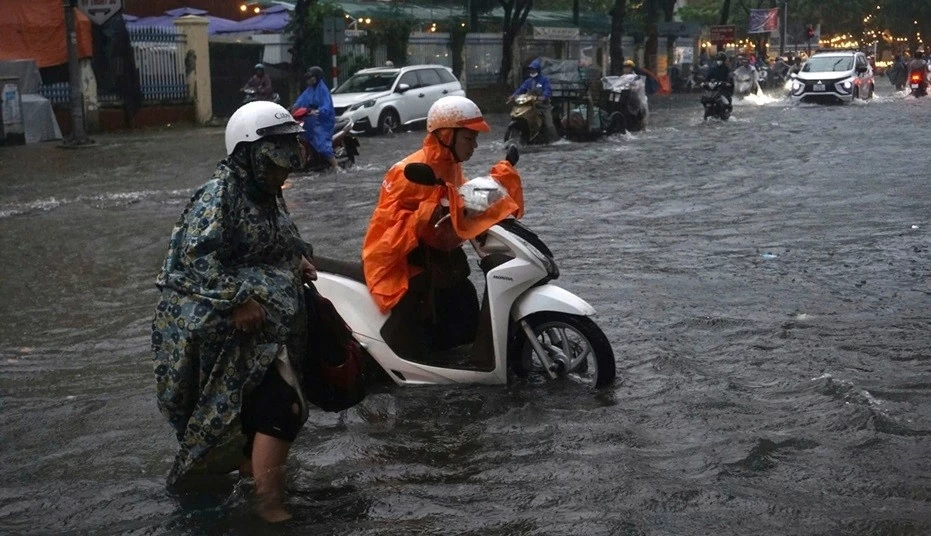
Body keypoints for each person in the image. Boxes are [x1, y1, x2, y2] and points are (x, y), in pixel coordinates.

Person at [152, 101, 316, 523]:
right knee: (282, 408)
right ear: (248, 156)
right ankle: (270, 509)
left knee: (264, 412)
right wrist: (238, 299)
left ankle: (256, 484)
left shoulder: (267, 194)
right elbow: (192, 259)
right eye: (275, 165)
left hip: (265, 332)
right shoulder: (220, 194)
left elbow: (278, 238)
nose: (282, 174)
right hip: (228, 333)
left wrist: (297, 259)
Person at [361, 96, 523, 361]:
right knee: (424, 304)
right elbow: (386, 232)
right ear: (447, 136)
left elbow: (462, 199)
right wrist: (426, 212)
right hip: (408, 262)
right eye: (469, 139)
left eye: (475, 139)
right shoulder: (405, 172)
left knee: (466, 298)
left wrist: (500, 182)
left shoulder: (451, 166)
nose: (474, 146)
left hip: (442, 257)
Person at [292, 66, 338, 171]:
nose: (308, 80)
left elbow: (327, 106)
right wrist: (291, 110)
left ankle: (336, 166)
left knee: (321, 143)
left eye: (310, 78)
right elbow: (300, 101)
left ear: (316, 77)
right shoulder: (309, 90)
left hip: (323, 121)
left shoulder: (323, 90)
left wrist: (318, 111)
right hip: (310, 119)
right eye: (307, 78)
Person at [507, 58, 558, 142]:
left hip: (542, 106)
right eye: (530, 69)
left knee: (549, 124)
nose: (531, 71)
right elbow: (521, 89)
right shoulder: (528, 81)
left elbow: (547, 90)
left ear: (538, 70)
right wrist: (513, 96)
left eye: (533, 70)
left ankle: (554, 140)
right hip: (529, 105)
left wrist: (543, 97)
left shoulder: (544, 80)